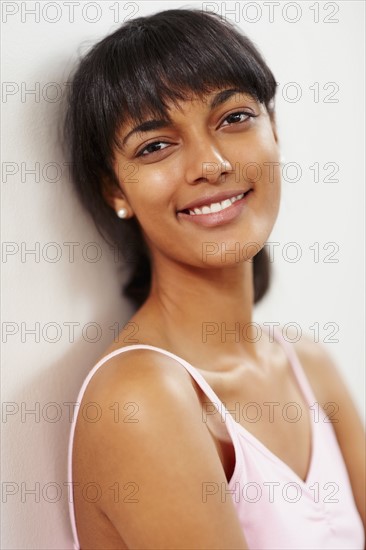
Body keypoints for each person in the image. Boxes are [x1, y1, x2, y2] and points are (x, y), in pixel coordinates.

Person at [65, 8, 365, 549]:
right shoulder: (140, 400)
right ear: (115, 189)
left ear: (274, 128)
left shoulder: (308, 365)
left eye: (233, 118)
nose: (211, 163)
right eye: (155, 145)